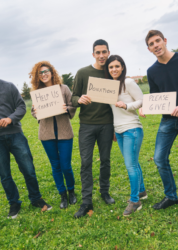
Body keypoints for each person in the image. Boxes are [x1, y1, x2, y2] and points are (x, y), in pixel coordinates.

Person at [0, 55, 51, 218]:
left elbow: (21, 107)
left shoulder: (9, 87)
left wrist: (10, 119)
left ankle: (36, 199)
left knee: (28, 169)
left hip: (15, 134)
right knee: (4, 174)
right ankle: (14, 203)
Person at [139, 30, 178, 215]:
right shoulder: (152, 71)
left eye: (158, 41)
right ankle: (171, 196)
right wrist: (145, 107)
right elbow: (156, 97)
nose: (156, 45)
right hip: (167, 120)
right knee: (159, 158)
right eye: (151, 44)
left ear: (165, 41)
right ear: (149, 49)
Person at [71, 39, 115, 218]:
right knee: (86, 163)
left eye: (104, 52)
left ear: (108, 52)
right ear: (93, 54)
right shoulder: (83, 73)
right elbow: (73, 97)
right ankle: (86, 200)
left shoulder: (112, 71)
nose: (102, 55)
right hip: (87, 126)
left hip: (107, 125)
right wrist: (78, 100)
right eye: (98, 52)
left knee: (105, 160)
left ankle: (105, 192)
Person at [29, 61, 77, 209]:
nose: (44, 74)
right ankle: (62, 194)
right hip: (46, 134)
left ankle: (71, 191)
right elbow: (33, 111)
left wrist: (66, 108)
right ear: (37, 76)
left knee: (66, 166)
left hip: (64, 133)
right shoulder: (37, 93)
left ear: (52, 72)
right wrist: (36, 112)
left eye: (46, 71)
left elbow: (73, 105)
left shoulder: (64, 89)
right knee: (55, 166)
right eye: (40, 73)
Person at [104, 55, 147, 217]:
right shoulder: (109, 87)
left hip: (132, 129)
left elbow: (142, 100)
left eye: (117, 66)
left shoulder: (128, 82)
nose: (114, 69)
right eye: (110, 67)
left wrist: (127, 105)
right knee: (133, 163)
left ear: (122, 67)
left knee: (131, 166)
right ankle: (141, 191)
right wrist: (114, 129)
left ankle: (135, 200)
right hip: (119, 130)